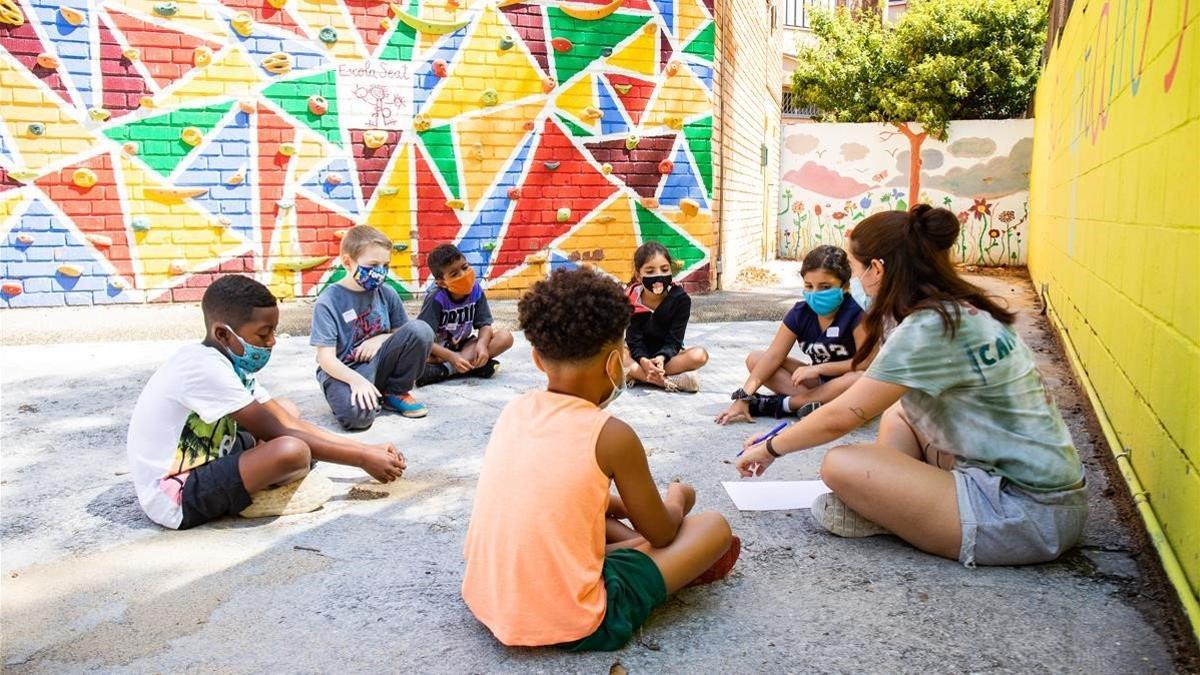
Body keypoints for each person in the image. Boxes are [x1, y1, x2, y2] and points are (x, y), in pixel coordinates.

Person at [735, 205, 1088, 567]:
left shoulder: (928, 328)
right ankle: (893, 502)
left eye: (855, 271)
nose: (854, 282)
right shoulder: (954, 310)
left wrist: (771, 448)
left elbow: (843, 415)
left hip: (1025, 515)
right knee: (900, 411)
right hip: (1026, 485)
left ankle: (892, 511)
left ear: (877, 269)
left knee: (840, 464)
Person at [462, 268, 739, 651]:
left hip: (489, 596)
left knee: (605, 520)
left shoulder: (515, 409)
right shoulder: (612, 434)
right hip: (575, 619)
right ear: (614, 364)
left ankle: (648, 552)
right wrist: (678, 497)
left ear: (538, 360)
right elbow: (662, 532)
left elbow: (548, 494)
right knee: (713, 527)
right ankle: (679, 564)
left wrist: (618, 508)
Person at [126, 275, 406, 530]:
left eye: (273, 332)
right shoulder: (203, 368)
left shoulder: (226, 361)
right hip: (177, 493)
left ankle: (260, 475)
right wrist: (361, 459)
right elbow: (279, 433)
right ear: (223, 334)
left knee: (286, 409)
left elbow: (286, 421)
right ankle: (256, 489)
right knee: (292, 451)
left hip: (213, 455)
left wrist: (367, 448)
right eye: (263, 333)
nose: (272, 341)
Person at [716, 245, 867, 423]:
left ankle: (785, 404)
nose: (815, 293)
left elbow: (865, 363)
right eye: (809, 286)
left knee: (860, 377)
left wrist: (818, 368)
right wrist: (744, 396)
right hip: (818, 383)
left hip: (851, 386)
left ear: (845, 286)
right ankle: (815, 405)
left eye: (825, 287)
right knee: (756, 359)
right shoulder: (800, 313)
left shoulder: (857, 314)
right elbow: (773, 356)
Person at [311, 225, 434, 429]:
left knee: (421, 330)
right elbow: (326, 358)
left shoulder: (387, 293)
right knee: (357, 417)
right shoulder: (328, 301)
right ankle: (364, 394)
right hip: (344, 371)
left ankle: (394, 392)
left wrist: (379, 339)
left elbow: (403, 334)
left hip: (380, 362)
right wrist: (356, 381)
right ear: (348, 262)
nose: (380, 272)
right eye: (373, 264)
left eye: (385, 265)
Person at [414, 243, 513, 386]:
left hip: (464, 347)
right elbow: (422, 338)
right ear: (442, 283)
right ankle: (470, 367)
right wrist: (450, 356)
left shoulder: (476, 290)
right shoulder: (436, 298)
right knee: (418, 354)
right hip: (438, 352)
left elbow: (485, 324)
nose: (463, 275)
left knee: (505, 337)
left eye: (465, 267)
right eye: (454, 274)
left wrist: (482, 345)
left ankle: (445, 370)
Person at [622, 242, 709, 393]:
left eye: (664, 269)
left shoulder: (681, 299)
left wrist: (661, 358)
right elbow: (633, 339)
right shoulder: (630, 299)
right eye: (650, 271)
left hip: (668, 358)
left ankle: (639, 376)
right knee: (614, 353)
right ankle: (665, 382)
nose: (658, 276)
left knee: (700, 355)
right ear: (638, 275)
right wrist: (643, 361)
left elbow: (674, 340)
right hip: (636, 356)